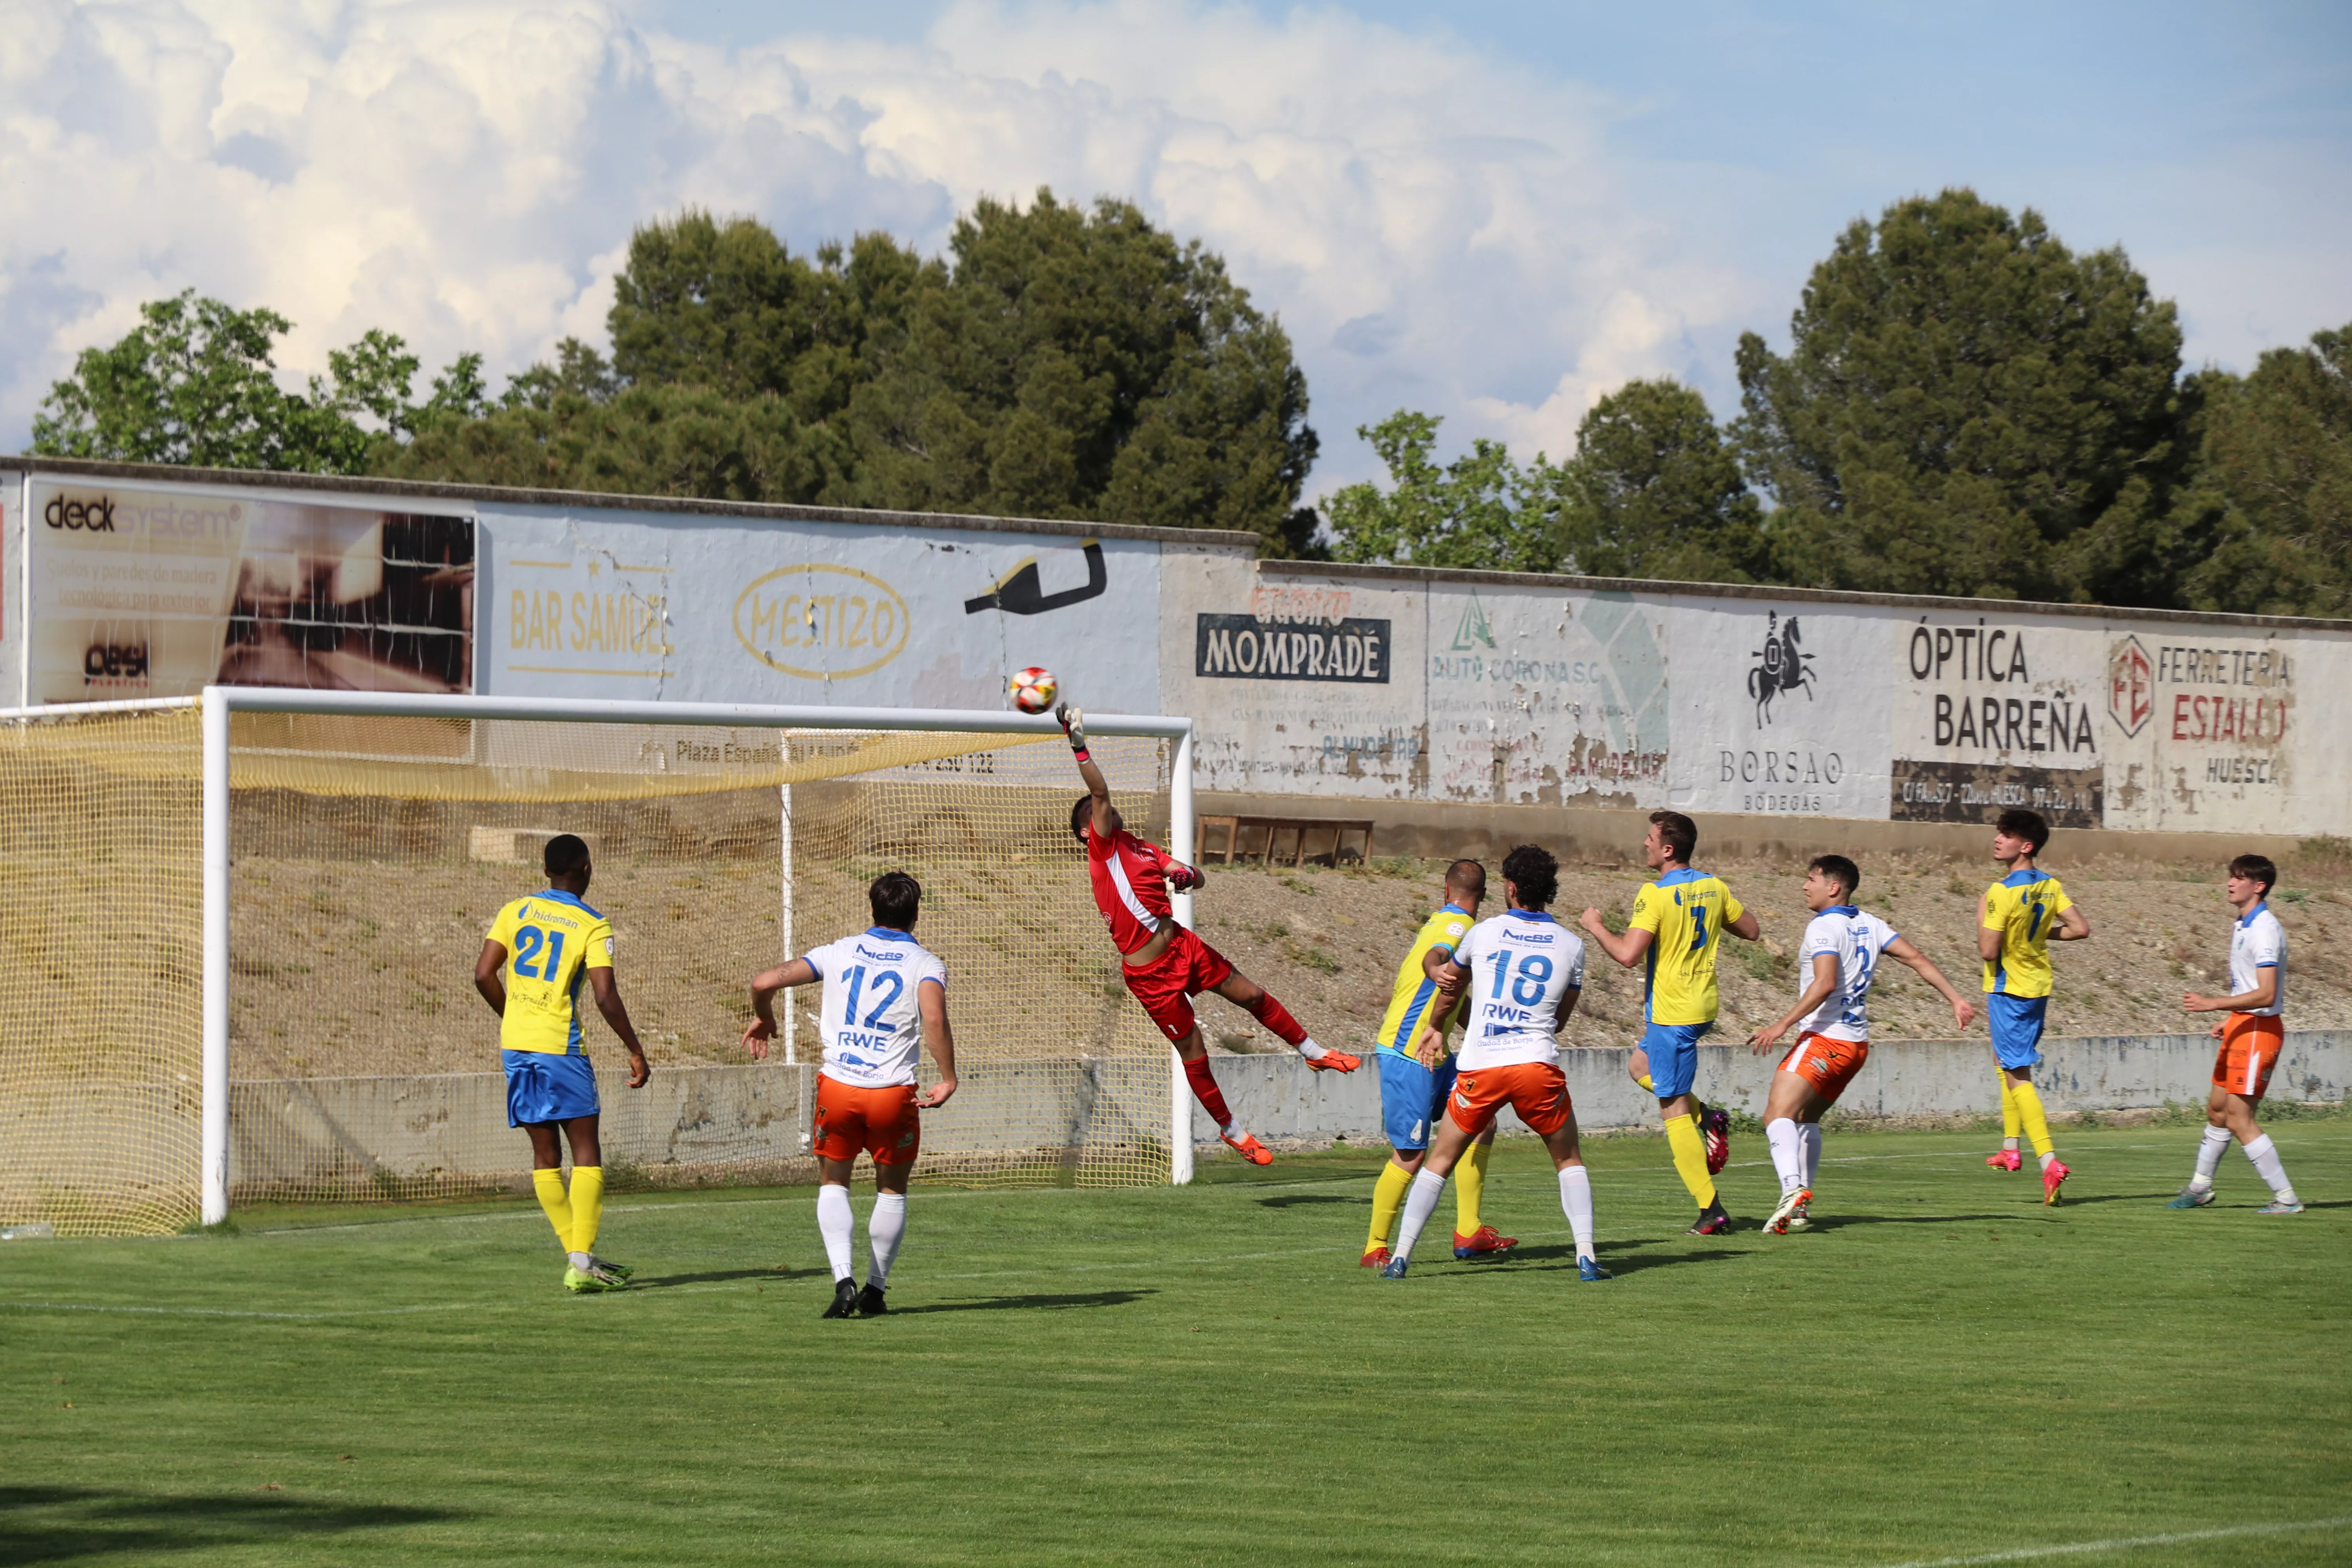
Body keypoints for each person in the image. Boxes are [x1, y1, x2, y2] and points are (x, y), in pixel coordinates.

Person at [1056, 703, 1357, 1167]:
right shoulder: (1102, 847)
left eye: (1105, 810)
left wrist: (1187, 876)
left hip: (1183, 945)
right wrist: (1079, 744)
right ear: (1085, 831)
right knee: (1193, 1048)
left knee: (1252, 995)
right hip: (1150, 974)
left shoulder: (1141, 846)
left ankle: (1314, 1051)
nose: (1105, 810)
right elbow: (1099, 790)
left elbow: (1193, 876)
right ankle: (1233, 1131)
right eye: (1095, 812)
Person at [1379, 845, 1607, 1281]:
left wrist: (1434, 1026)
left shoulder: (1482, 933)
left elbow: (1451, 984)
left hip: (1481, 1066)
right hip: (1536, 1066)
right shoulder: (1573, 946)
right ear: (1550, 889)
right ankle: (1586, 1256)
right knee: (1569, 1159)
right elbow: (1558, 1020)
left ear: (1510, 887)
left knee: (1440, 1159)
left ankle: (1400, 1257)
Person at [744, 870, 959, 1318]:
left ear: (873, 910)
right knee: (892, 1192)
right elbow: (934, 1019)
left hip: (838, 1088)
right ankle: (875, 1291)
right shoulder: (925, 962)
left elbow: (763, 982)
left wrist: (765, 1018)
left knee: (833, 1183)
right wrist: (948, 1076)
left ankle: (843, 1281)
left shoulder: (837, 951)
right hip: (891, 1093)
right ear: (915, 914)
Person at [1746, 855, 1976, 1233]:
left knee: (1777, 1116)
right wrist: (1956, 999)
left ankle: (1792, 1190)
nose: (1805, 886)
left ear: (1833, 887)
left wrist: (1781, 1024)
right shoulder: (1871, 924)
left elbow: (1824, 983)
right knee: (1806, 1120)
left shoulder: (1824, 927)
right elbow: (1917, 959)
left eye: (1811, 879)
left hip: (1824, 1039)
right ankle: (1800, 1209)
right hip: (1856, 1047)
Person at [473, 833, 651, 1294]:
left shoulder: (515, 910)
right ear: (587, 869)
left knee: (545, 1156)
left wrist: (514, 1014)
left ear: (545, 870)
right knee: (586, 1151)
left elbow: (482, 973)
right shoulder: (592, 922)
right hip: (561, 1048)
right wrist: (635, 1048)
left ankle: (578, 1256)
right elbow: (605, 995)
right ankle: (581, 1261)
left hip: (516, 1046)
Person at [1580, 810, 1762, 1234]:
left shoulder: (1655, 894)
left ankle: (1710, 1208)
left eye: (1650, 838)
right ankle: (1710, 1118)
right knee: (1639, 1068)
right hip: (1702, 1007)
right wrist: (1710, 917)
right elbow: (1751, 930)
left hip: (1672, 1013)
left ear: (1667, 849)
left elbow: (1628, 955)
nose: (1644, 844)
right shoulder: (1714, 886)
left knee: (1672, 1110)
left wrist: (1595, 926)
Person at [1363, 859, 1518, 1267]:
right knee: (1411, 1155)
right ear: (1482, 897)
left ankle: (1469, 1232)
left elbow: (1454, 998)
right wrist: (1437, 971)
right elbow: (1436, 957)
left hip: (1438, 1050)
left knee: (1483, 1121)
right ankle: (1375, 1246)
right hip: (1409, 1051)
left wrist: (1482, 1028)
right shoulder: (1458, 927)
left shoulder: (1446, 919)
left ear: (1446, 889)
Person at [2170, 854, 2302, 1215]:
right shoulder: (2243, 924)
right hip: (2243, 1026)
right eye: (2230, 876)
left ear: (2258, 887)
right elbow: (2248, 986)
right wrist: (2230, 1020)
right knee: (2216, 1111)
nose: (2230, 883)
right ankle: (2200, 1188)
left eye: (2239, 878)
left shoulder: (2264, 929)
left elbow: (2267, 993)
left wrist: (2214, 1004)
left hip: (2260, 1030)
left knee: (2240, 1119)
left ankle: (2287, 1199)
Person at [1976, 808, 2090, 1204]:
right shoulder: (2050, 885)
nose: (1997, 839)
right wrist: (2037, 935)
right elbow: (2080, 929)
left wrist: (1983, 918)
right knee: (2004, 1061)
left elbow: (1988, 949)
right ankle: (2010, 1147)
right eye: (1998, 833)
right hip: (2038, 986)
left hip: (2009, 990)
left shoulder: (2000, 891)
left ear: (2025, 846)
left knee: (2017, 1074)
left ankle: (2048, 1160)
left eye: (2006, 835)